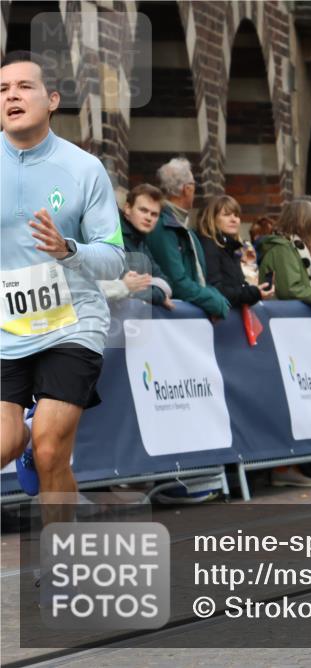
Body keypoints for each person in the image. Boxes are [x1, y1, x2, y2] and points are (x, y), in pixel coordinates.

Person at [1, 51, 126, 519]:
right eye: (2, 89)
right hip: (8, 327)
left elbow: (114, 259)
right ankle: (23, 438)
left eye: (24, 87)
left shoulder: (84, 169)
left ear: (52, 100)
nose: (11, 96)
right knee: (6, 442)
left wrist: (67, 250)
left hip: (72, 323)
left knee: (51, 448)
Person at [145, 157, 230, 319]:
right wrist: (215, 302)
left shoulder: (181, 226)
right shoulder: (164, 226)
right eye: (194, 186)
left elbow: (198, 278)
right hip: (174, 320)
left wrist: (216, 298)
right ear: (187, 189)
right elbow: (177, 282)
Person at [98, 183, 175, 309]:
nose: (148, 218)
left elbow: (166, 284)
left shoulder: (140, 241)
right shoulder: (114, 237)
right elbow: (128, 287)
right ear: (128, 208)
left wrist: (149, 289)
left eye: (154, 214)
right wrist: (159, 295)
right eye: (143, 210)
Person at [195, 195, 275, 308]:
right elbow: (215, 290)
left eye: (236, 215)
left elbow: (237, 286)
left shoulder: (231, 247)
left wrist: (256, 291)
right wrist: (253, 293)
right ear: (211, 218)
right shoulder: (208, 245)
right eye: (227, 214)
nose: (234, 219)